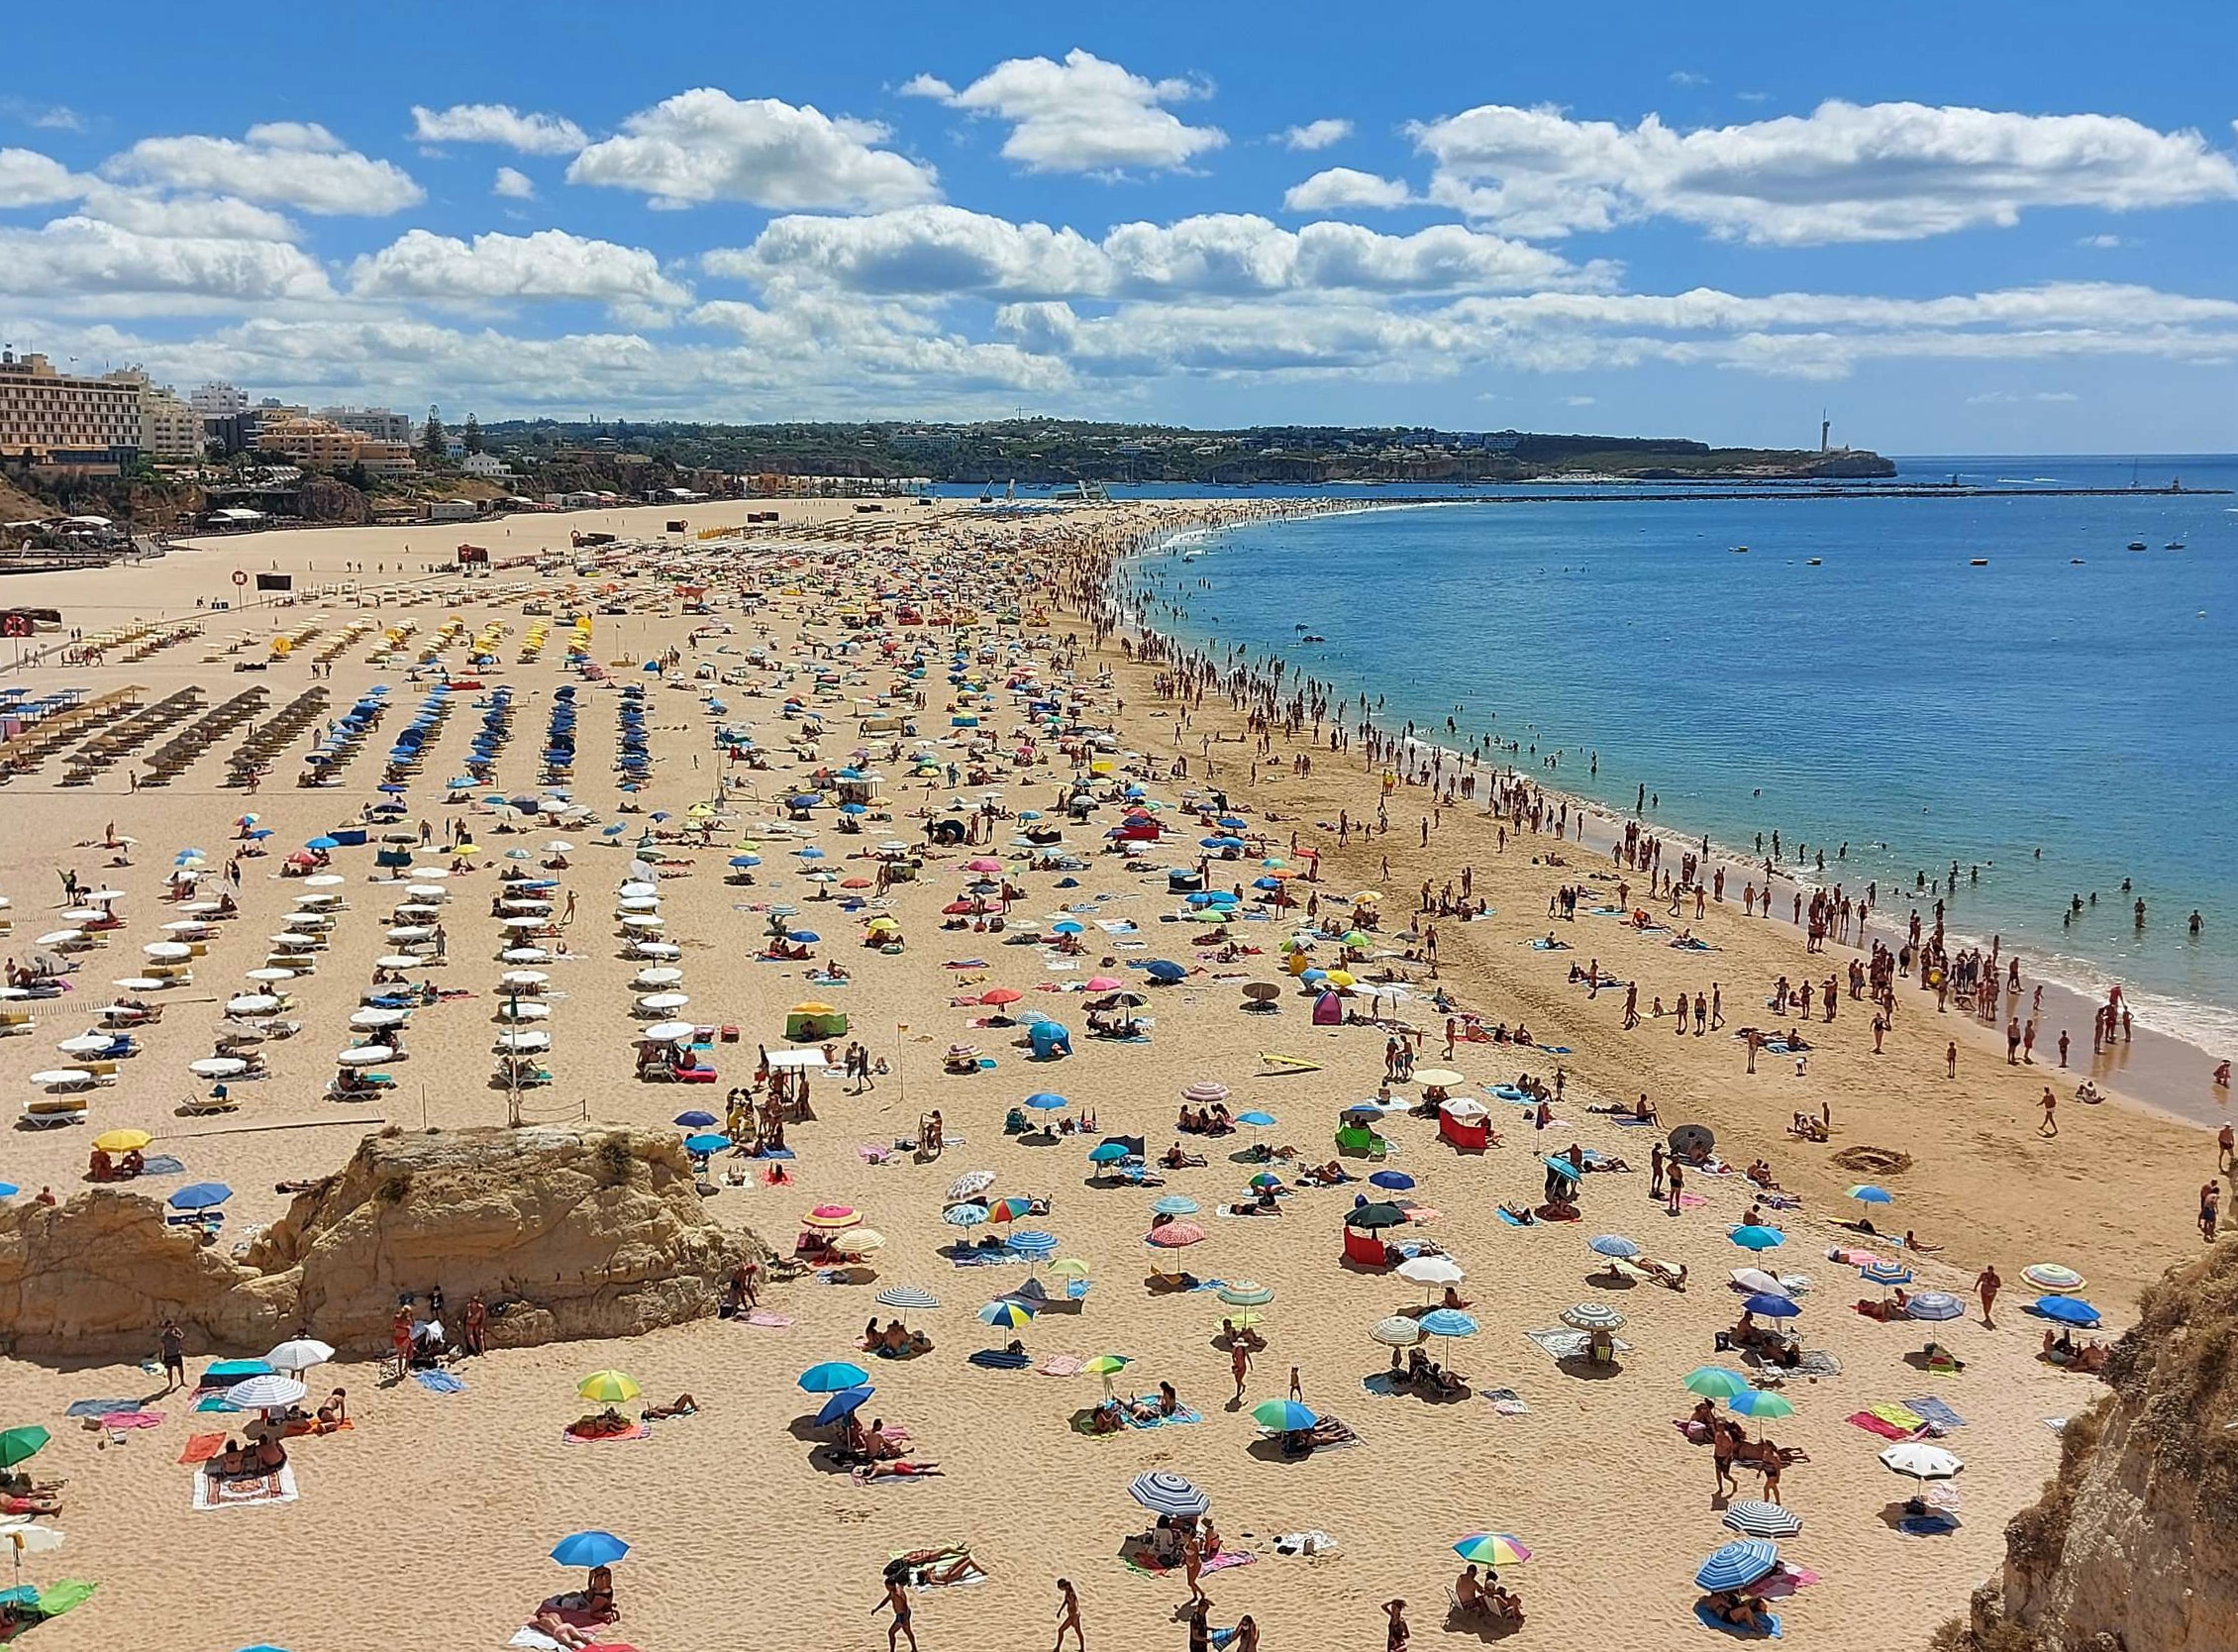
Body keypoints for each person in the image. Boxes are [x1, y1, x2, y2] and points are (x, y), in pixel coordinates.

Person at [874, 1574, 917, 1652]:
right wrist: (876, 1609)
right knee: (907, 1632)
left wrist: (905, 1618)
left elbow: (905, 1605)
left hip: (903, 1615)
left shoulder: (898, 1594)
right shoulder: (893, 1591)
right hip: (901, 1615)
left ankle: (893, 1650)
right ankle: (914, 1649)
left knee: (891, 1633)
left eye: (887, 1586)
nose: (886, 1588)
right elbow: (886, 1600)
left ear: (891, 1585)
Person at [1053, 1577, 1084, 1652]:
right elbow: (1066, 1601)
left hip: (1073, 1616)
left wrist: (1074, 1617)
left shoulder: (1071, 1593)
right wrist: (1059, 1611)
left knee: (1061, 1630)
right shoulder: (1067, 1591)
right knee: (1078, 1632)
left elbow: (1075, 1604)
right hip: (1073, 1615)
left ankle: (1057, 1648)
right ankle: (1082, 1649)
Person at [159, 1318, 186, 1390]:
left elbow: (182, 1336)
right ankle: (170, 1384)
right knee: (169, 1370)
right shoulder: (164, 1336)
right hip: (168, 1355)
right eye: (170, 1327)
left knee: (180, 1368)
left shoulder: (175, 1333)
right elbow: (161, 1347)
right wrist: (161, 1356)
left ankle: (182, 1381)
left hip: (176, 1353)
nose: (172, 1328)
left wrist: (177, 1331)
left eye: (173, 1326)